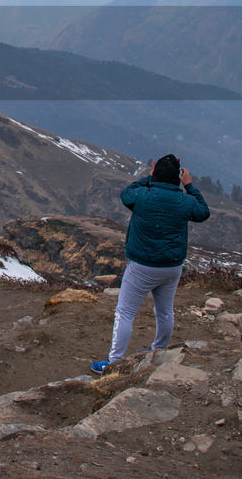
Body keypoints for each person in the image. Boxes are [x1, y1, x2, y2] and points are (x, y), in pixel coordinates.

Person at [91, 153, 210, 374]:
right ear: (178, 177)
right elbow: (203, 213)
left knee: (125, 313)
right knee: (164, 311)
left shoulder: (142, 197)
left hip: (142, 266)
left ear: (155, 174)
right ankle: (159, 351)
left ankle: (114, 362)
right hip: (171, 267)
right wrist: (190, 186)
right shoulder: (186, 201)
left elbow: (126, 194)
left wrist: (149, 177)